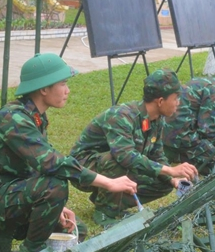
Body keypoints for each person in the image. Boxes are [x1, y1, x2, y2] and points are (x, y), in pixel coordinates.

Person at [0, 53, 137, 252]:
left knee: (74, 230)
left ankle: (6, 234)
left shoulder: (35, 117)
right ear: (44, 89)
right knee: (55, 185)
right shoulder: (13, 119)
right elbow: (53, 163)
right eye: (63, 83)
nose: (68, 90)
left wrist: (56, 208)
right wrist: (109, 183)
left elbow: (38, 166)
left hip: (10, 192)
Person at [71, 68, 198, 226]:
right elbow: (124, 156)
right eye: (176, 98)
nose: (178, 103)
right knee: (117, 160)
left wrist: (173, 179)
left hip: (109, 166)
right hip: (82, 169)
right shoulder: (122, 116)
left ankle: (115, 205)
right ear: (160, 101)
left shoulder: (157, 119)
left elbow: (157, 156)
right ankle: (105, 212)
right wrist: (170, 170)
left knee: (163, 181)